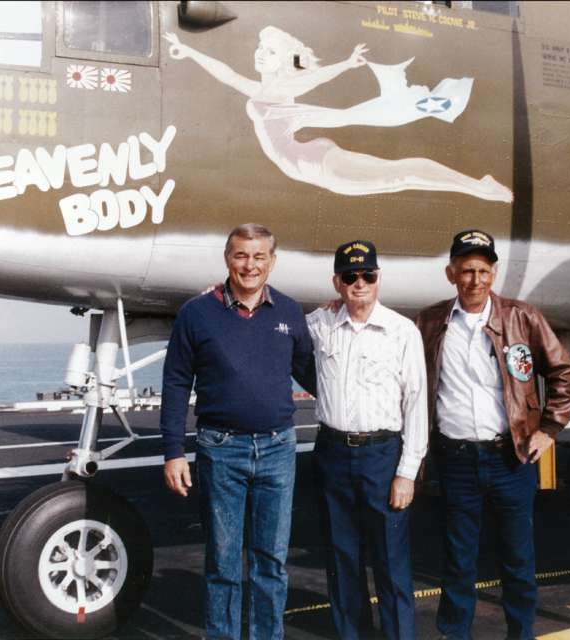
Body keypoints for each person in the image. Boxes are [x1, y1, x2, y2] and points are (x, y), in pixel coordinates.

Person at [416, 230, 570, 640]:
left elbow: (563, 372)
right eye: (467, 271)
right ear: (451, 273)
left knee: (518, 561)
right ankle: (456, 635)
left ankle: (521, 635)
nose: (475, 280)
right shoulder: (430, 322)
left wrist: (549, 428)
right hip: (456, 460)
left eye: (483, 271)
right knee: (458, 561)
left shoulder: (522, 317)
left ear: (494, 273)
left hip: (510, 459)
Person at [160, 224, 316, 640]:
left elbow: (312, 372)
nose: (250, 265)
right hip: (220, 449)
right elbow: (176, 382)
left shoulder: (289, 311)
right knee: (223, 563)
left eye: (259, 256)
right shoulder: (196, 313)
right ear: (227, 259)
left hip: (278, 449)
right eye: (241, 256)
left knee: (271, 562)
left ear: (272, 262)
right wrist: (173, 451)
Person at [162, 28, 512, 202]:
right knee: (398, 176)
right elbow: (226, 73)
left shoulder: (282, 90)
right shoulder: (260, 90)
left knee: (398, 175)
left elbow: (313, 78)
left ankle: (480, 187)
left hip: (317, 164)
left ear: (284, 62)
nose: (260, 54)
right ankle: (478, 186)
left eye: (270, 51)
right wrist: (189, 50)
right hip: (310, 166)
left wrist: (345, 64)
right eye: (259, 47)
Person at [307, 240, 428, 640]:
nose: (359, 283)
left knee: (391, 560)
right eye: (350, 276)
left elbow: (416, 404)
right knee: (341, 558)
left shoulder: (401, 331)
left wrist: (407, 473)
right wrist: (221, 292)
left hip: (382, 456)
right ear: (337, 283)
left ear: (378, 279)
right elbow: (275, 325)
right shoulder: (319, 324)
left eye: (367, 275)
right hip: (333, 454)